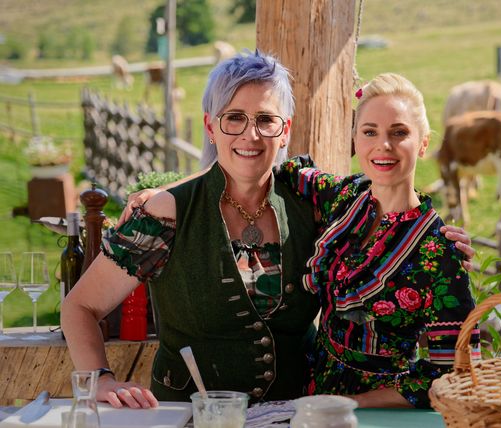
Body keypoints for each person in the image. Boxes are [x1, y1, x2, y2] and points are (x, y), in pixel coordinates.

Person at [68, 51, 475, 410]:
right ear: (210, 126)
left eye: (265, 119)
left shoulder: (311, 201)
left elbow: (389, 197)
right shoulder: (166, 214)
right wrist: (99, 379)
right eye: (234, 118)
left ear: (285, 130)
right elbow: (79, 307)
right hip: (194, 416)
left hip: (300, 412)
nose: (251, 134)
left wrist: (437, 242)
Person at [274, 73, 480, 408]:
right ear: (355, 139)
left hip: (382, 411)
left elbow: (457, 372)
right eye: (370, 132)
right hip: (312, 396)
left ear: (423, 143)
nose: (384, 145)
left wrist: (355, 401)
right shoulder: (345, 196)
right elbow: (281, 172)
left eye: (399, 132)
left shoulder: (439, 252)